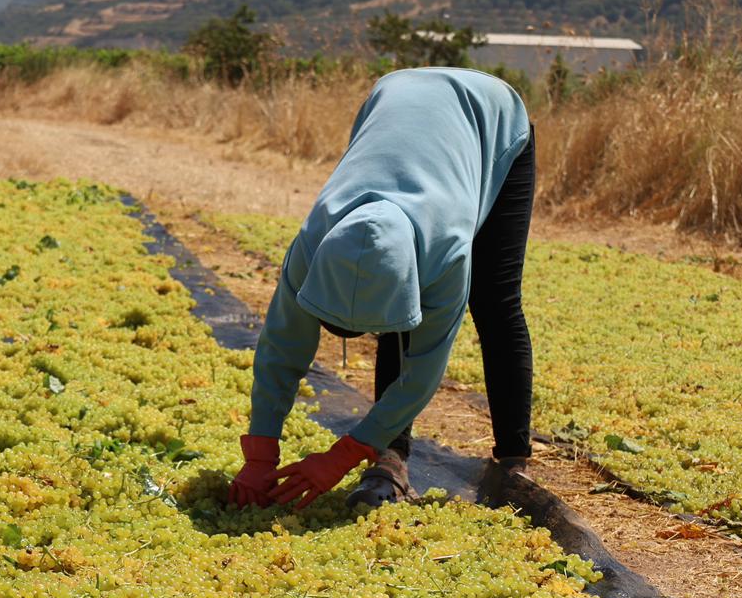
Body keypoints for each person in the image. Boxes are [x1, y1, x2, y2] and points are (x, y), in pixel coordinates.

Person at [229, 67, 536, 511]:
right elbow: (282, 346)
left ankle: (514, 460)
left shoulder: (445, 251)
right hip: (395, 98)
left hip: (491, 116)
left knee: (495, 300)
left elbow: (424, 368)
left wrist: (345, 453)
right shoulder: (314, 243)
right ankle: (391, 457)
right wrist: (260, 455)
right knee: (401, 327)